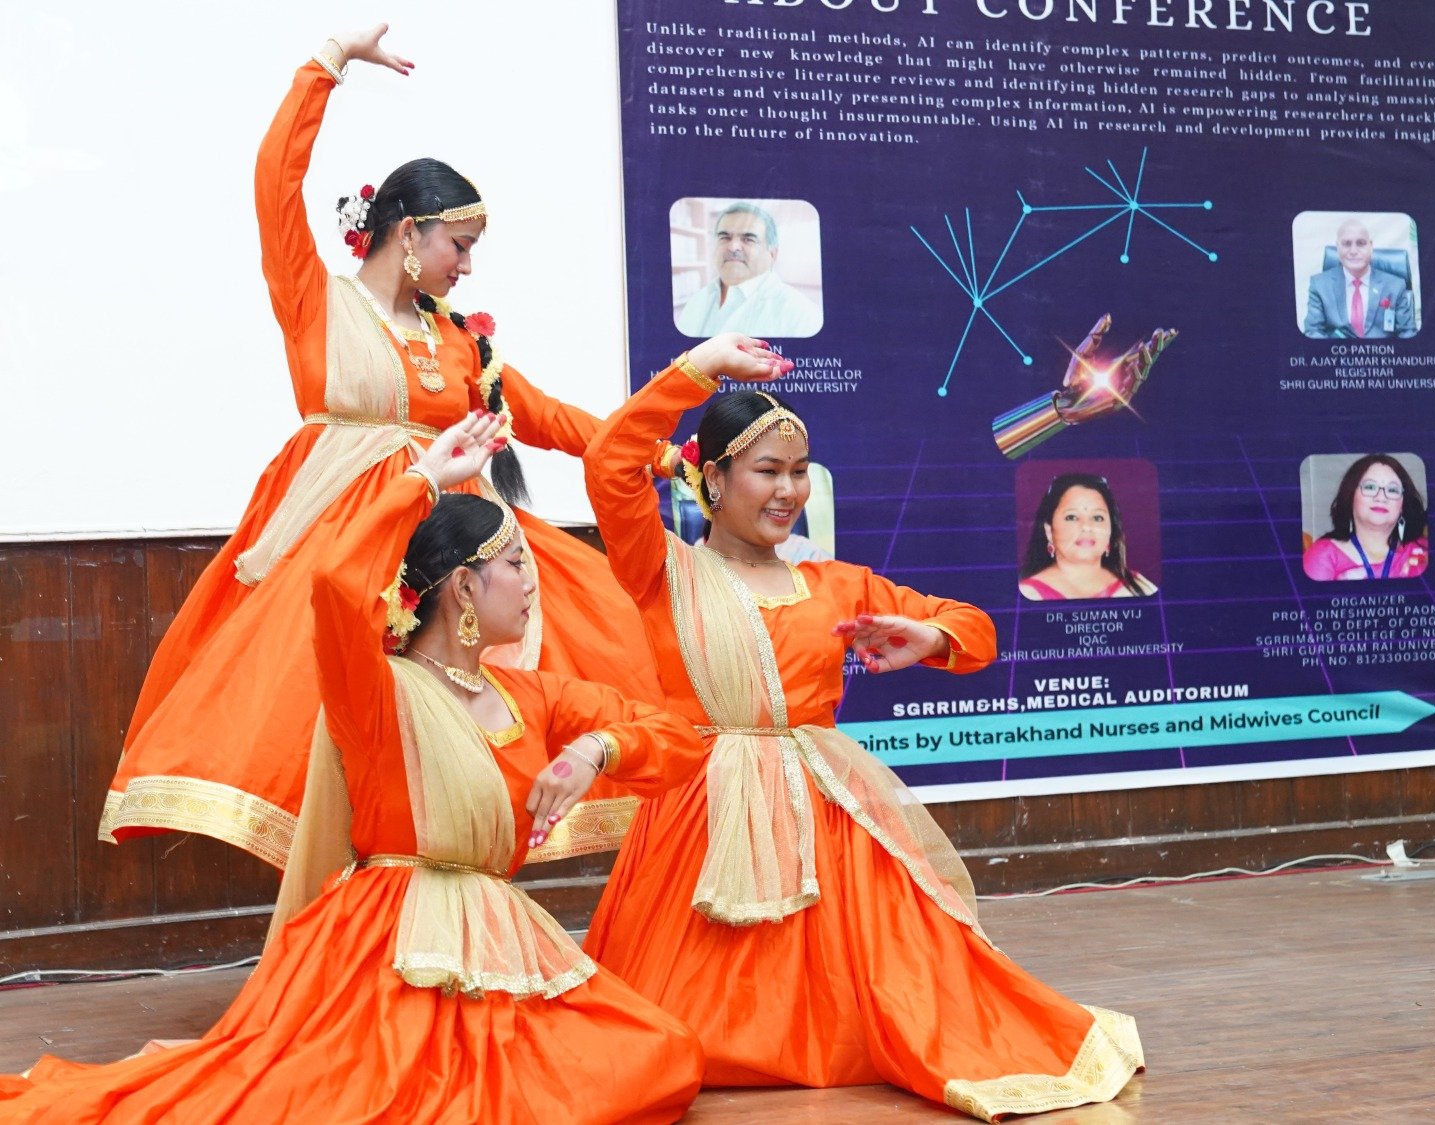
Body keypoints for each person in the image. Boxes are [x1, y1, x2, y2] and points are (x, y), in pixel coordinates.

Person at [0, 415, 704, 1123]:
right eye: (517, 563)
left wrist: (593, 750)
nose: (532, 581)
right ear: (464, 586)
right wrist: (422, 478)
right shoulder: (374, 690)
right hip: (387, 943)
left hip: (499, 935)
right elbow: (335, 579)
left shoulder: (534, 695)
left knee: (660, 1054)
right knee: (394, 1095)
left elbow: (675, 737)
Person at [101, 26, 658, 868]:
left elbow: (545, 417)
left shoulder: (460, 339)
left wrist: (657, 450)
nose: (466, 266)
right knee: (332, 711)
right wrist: (327, 64)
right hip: (347, 538)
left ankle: (442, 867)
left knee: (595, 619)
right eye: (458, 246)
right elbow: (274, 186)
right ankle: (350, 892)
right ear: (407, 232)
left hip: (448, 543)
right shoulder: (319, 304)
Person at [580, 335, 1144, 1120]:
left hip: (825, 817)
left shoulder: (835, 582)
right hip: (700, 815)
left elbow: (974, 627)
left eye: (800, 471)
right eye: (768, 471)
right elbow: (609, 460)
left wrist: (929, 636)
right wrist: (698, 369)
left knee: (897, 997)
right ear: (713, 478)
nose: (789, 490)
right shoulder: (661, 569)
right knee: (665, 1028)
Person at [674, 203, 823, 337]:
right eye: (724, 237)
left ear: (772, 254)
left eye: (749, 239)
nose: (733, 247)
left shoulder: (803, 315)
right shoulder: (698, 300)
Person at [1019, 474, 1157, 600]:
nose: (1086, 526)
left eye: (1097, 518)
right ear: (1049, 531)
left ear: (1111, 530)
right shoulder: (1028, 594)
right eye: (1072, 517)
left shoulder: (1140, 587)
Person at [1303, 454, 1429, 580]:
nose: (1381, 498)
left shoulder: (1423, 551)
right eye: (1370, 487)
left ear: (1402, 505)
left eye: (1392, 490)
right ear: (1350, 497)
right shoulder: (1323, 555)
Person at [1302, 218, 1417, 339]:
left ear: (1370, 246)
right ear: (1337, 247)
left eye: (1361, 243)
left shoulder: (1395, 286)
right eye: (1346, 244)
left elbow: (1407, 333)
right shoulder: (1319, 285)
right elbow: (1313, 332)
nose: (1353, 251)